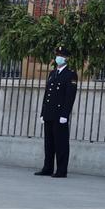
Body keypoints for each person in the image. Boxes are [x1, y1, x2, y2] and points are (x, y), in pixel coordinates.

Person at [35, 46, 78, 178]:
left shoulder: (70, 74)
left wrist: (65, 114)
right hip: (49, 113)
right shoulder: (52, 74)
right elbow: (47, 94)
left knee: (61, 143)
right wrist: (43, 113)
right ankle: (47, 167)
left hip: (60, 115)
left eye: (61, 55)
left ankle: (61, 170)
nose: (58, 58)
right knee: (49, 143)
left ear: (66, 58)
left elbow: (70, 97)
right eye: (57, 55)